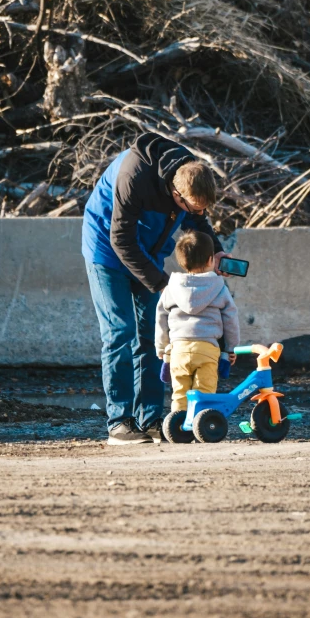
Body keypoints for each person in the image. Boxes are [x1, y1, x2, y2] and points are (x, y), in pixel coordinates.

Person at [82, 133, 228, 445]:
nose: (198, 213)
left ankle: (150, 419)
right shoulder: (134, 175)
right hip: (106, 250)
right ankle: (119, 422)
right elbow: (120, 239)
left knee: (153, 334)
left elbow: (197, 219)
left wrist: (215, 249)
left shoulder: (189, 173)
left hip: (146, 250)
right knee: (119, 331)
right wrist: (163, 285)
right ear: (176, 195)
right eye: (192, 207)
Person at [155, 230, 240, 413]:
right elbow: (230, 318)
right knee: (204, 394)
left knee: (179, 395)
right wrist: (230, 348)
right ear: (211, 260)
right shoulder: (218, 287)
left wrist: (162, 348)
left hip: (179, 350)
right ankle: (201, 428)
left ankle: (178, 427)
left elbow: (161, 317)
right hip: (207, 349)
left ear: (181, 261)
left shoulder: (171, 288)